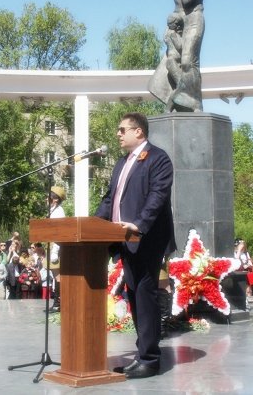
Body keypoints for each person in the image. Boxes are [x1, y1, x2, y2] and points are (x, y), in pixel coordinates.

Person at [95, 112, 176, 379]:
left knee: (144, 294)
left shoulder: (158, 158)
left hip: (147, 238)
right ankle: (142, 353)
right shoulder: (122, 163)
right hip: (123, 239)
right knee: (135, 297)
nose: (118, 134)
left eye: (122, 129)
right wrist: (94, 224)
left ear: (138, 131)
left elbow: (157, 196)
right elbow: (111, 199)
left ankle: (150, 359)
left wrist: (139, 224)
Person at [48, 185, 66, 312]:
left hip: (56, 248)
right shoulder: (52, 210)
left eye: (49, 197)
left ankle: (58, 303)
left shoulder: (58, 212)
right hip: (52, 246)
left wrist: (55, 251)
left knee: (58, 276)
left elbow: (59, 232)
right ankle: (57, 302)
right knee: (56, 276)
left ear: (55, 199)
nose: (46, 199)